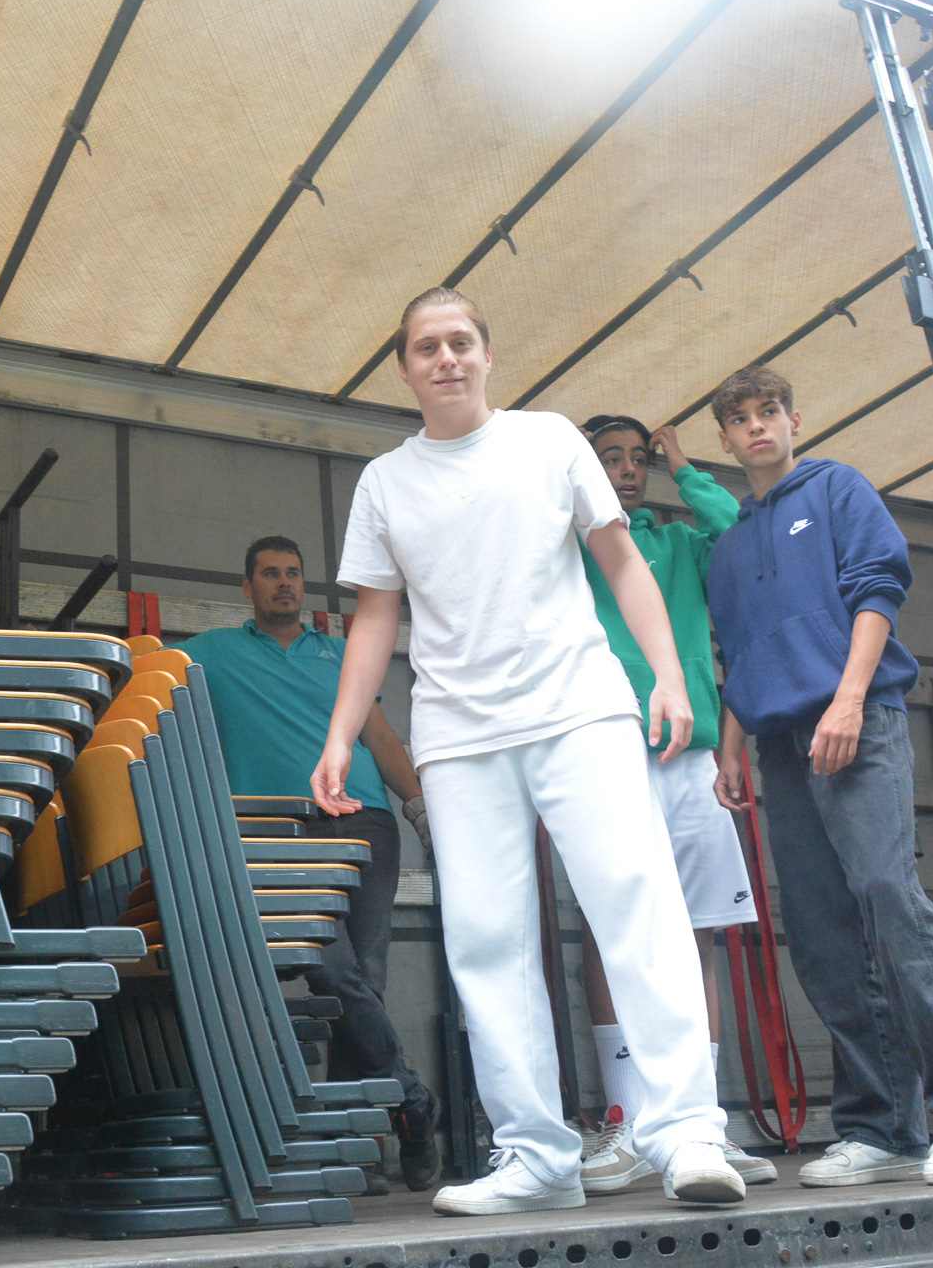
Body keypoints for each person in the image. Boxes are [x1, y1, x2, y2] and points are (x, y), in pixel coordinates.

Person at [311, 286, 743, 1216]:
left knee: (636, 904)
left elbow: (620, 558)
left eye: (460, 341)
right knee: (486, 941)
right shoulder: (385, 481)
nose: (446, 358)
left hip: (579, 708)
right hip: (459, 734)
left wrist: (670, 675)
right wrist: (343, 733)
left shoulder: (548, 440)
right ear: (404, 368)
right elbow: (376, 616)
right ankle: (538, 1156)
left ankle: (687, 1134)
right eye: (426, 346)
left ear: (486, 354)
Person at [705, 365, 933, 1187]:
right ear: (726, 440)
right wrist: (730, 747)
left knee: (889, 898)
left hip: (858, 718)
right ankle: (882, 1128)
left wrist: (848, 701)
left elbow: (878, 590)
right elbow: (737, 654)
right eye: (740, 419)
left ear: (794, 419)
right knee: (821, 932)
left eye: (769, 410)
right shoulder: (729, 549)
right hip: (781, 746)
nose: (757, 426)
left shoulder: (837, 488)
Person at [182, 537, 441, 1192]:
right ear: (248, 587)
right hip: (279, 829)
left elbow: (380, 738)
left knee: (366, 975)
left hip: (364, 820)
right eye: (270, 573)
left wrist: (419, 810)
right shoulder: (209, 652)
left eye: (293, 573)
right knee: (333, 970)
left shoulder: (341, 655)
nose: (284, 583)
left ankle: (355, 1149)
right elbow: (141, 677)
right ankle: (409, 1101)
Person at [568, 414, 776, 1194]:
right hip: (604, 745)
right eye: (610, 458)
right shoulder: (570, 546)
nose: (627, 470)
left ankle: (701, 1124)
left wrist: (686, 465)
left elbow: (740, 528)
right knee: (609, 923)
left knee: (699, 932)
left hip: (690, 751)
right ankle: (627, 1121)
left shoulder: (681, 542)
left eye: (637, 459)